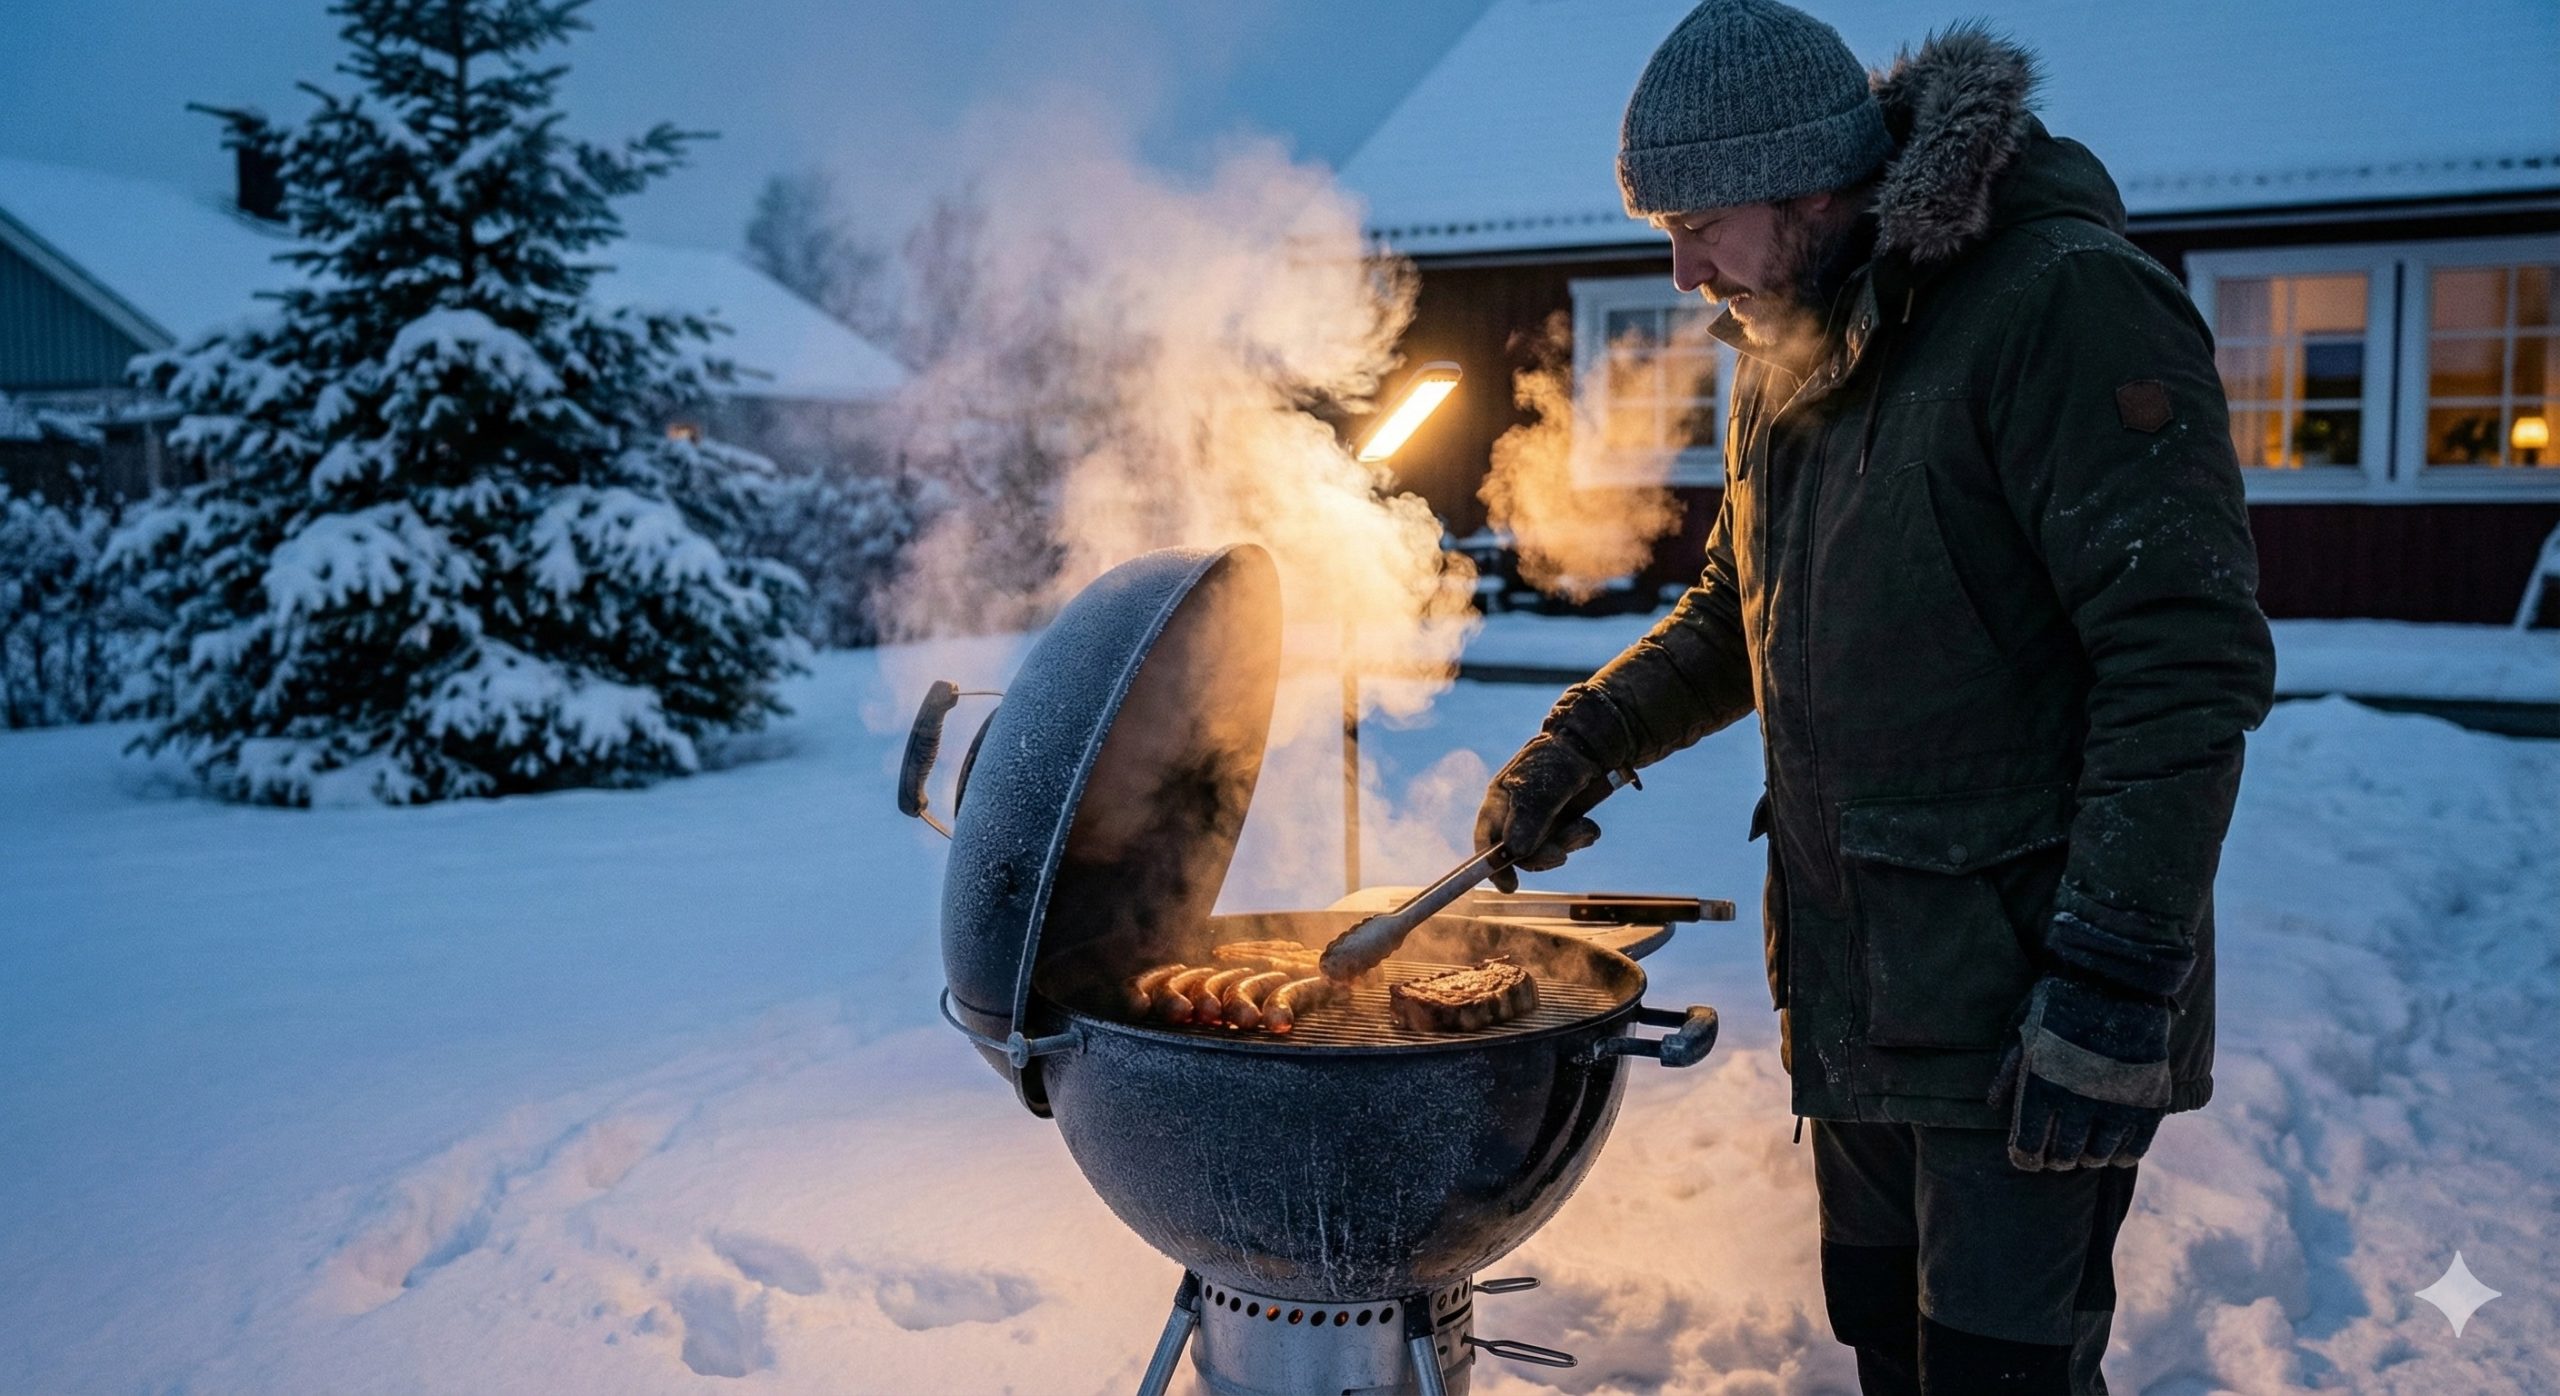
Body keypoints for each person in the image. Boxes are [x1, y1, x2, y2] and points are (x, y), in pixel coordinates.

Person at [1472, 4, 2277, 1393]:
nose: (1682, 271)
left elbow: (2183, 660)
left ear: (1809, 187)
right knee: (1887, 1344)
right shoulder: (1788, 343)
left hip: (2025, 1003)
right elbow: (1738, 611)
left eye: (1699, 226)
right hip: (1863, 982)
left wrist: (2111, 983)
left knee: (1996, 1374)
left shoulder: (2062, 307)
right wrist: (1582, 740)